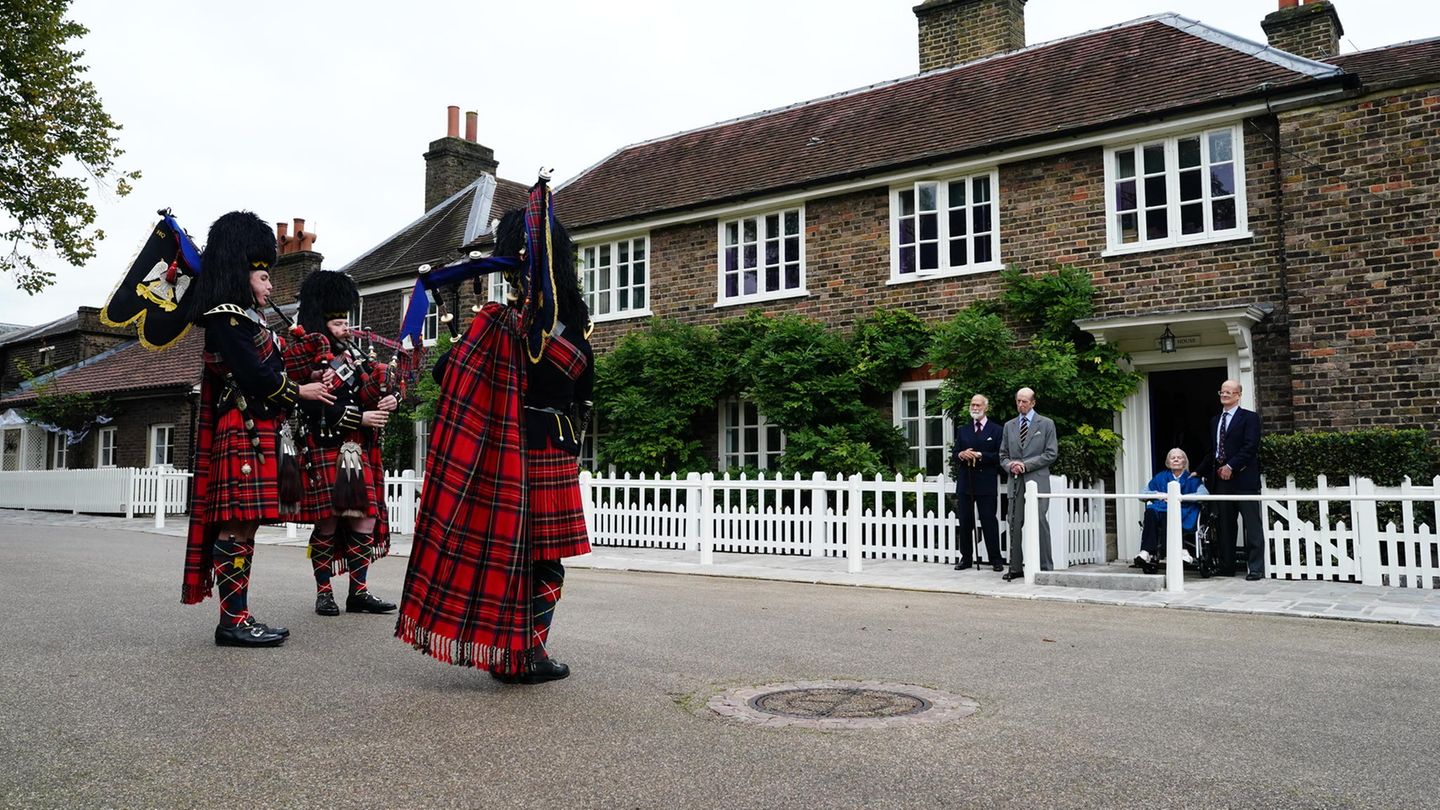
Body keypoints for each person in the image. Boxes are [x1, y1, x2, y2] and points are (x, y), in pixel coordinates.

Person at [396, 179, 594, 685]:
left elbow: (446, 376)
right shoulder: (559, 322)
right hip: (547, 448)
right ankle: (524, 655)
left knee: (513, 561)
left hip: (508, 452)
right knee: (544, 564)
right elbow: (580, 378)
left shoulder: (498, 321)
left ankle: (515, 653)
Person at [180, 211, 335, 647]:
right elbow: (255, 375)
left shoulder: (248, 320)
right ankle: (232, 621)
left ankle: (238, 616)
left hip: (256, 428)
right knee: (235, 525)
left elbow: (276, 363)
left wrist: (310, 349)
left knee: (244, 526)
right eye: (263, 276)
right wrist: (299, 391)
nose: (270, 286)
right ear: (242, 273)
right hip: (242, 426)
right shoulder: (226, 319)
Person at [284, 270, 398, 617]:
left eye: (346, 322)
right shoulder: (305, 358)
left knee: (364, 520)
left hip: (357, 448)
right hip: (325, 444)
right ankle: (323, 592)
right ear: (320, 322)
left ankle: (358, 591)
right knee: (329, 522)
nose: (344, 328)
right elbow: (309, 403)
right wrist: (358, 418)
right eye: (337, 323)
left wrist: (389, 399)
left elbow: (368, 392)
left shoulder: (352, 356)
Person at [1205, 379, 1265, 580]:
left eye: (1229, 392)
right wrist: (1197, 471)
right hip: (1221, 482)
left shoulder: (1250, 418)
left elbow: (1250, 447)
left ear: (1238, 395)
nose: (1225, 395)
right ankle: (1227, 566)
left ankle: (1255, 568)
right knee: (1225, 525)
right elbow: (1212, 451)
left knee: (1251, 524)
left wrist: (1231, 466)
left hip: (1244, 479)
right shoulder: (1215, 421)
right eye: (1222, 391)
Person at [999, 387, 1058, 581]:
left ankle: (1045, 566)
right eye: (1018, 401)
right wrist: (1011, 465)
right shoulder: (1009, 426)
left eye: (1024, 401)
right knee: (1014, 521)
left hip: (1037, 480)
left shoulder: (1047, 424)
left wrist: (1026, 465)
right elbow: (1003, 455)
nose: (1020, 405)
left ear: (1033, 403)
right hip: (1015, 481)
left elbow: (1051, 454)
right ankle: (1015, 567)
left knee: (1039, 521)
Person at [951, 393, 1004, 571]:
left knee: (989, 520)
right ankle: (966, 558)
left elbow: (1000, 456)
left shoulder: (997, 430)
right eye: (973, 405)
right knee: (965, 520)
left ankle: (996, 559)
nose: (975, 408)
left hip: (986, 482)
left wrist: (980, 455)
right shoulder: (963, 430)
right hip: (966, 481)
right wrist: (961, 454)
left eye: (978, 405)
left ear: (985, 407)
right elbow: (954, 453)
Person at [1134, 447, 1208, 574]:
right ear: (1168, 462)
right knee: (1150, 512)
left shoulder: (1193, 479)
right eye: (1172, 457)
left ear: (1185, 462)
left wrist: (1180, 498)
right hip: (1160, 509)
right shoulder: (1160, 477)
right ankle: (1146, 551)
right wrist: (1158, 494)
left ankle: (1183, 551)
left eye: (1179, 457)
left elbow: (1204, 495)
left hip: (1184, 511)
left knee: (1169, 514)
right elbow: (1142, 494)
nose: (1176, 459)